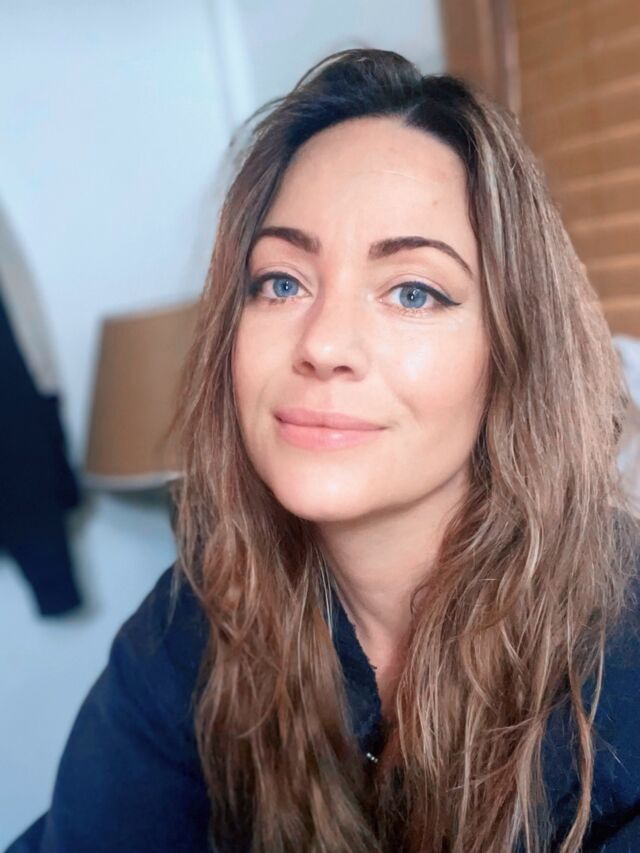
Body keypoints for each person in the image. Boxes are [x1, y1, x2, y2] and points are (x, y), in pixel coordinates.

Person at [6, 48, 640, 853]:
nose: (323, 343)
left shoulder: (619, 666)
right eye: (282, 282)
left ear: (515, 351)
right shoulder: (199, 613)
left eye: (413, 291)